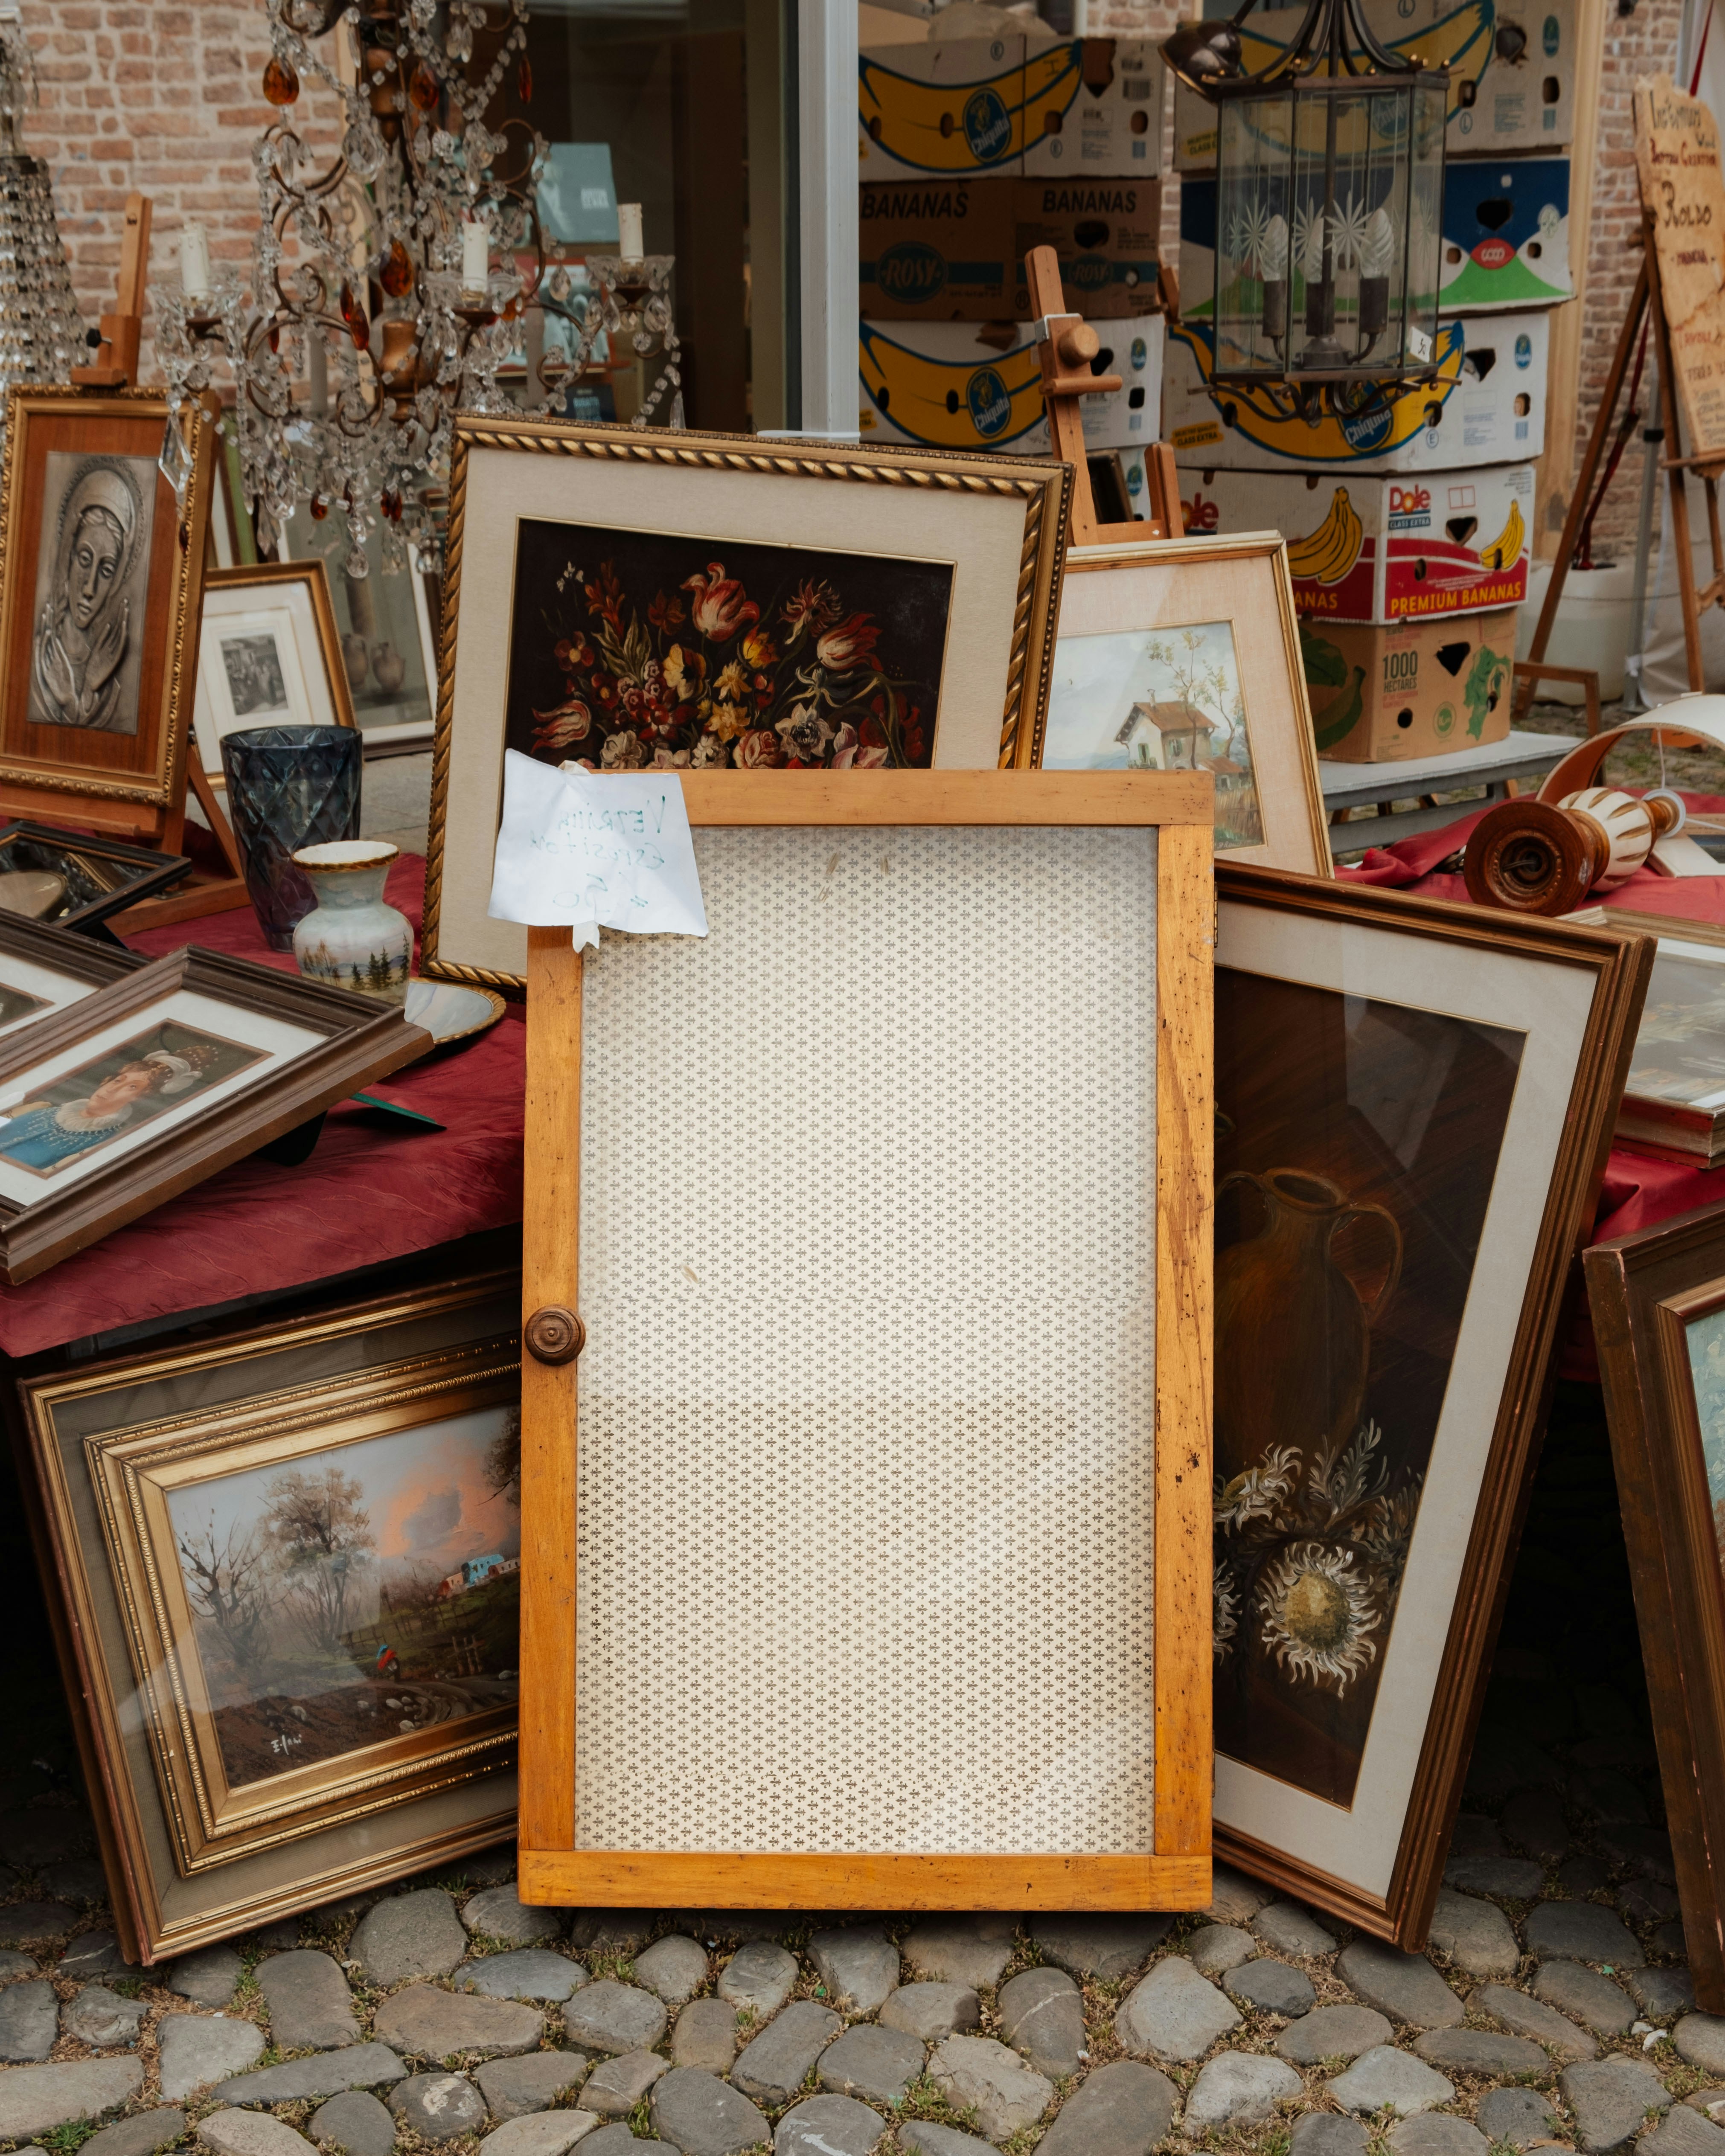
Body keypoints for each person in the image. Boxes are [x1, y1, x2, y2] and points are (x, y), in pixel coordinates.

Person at [32, 461, 143, 731]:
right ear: (68, 555)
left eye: (106, 571)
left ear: (117, 580)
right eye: (84, 559)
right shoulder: (37, 655)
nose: (90, 588)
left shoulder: (109, 676)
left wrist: (84, 690)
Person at [0, 1044, 216, 1174]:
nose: (114, 1089)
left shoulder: (100, 1143)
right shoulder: (41, 1108)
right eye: (119, 1080)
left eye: (132, 1087)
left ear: (140, 1098)